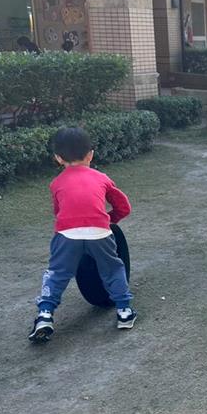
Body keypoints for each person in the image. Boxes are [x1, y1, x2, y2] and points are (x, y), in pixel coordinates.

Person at [28, 127, 137, 342]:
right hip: (100, 233)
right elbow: (124, 206)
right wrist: (110, 220)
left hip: (67, 234)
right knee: (113, 268)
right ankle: (124, 312)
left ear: (58, 158)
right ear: (90, 155)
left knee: (57, 273)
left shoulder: (56, 183)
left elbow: (58, 212)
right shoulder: (101, 178)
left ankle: (45, 315)